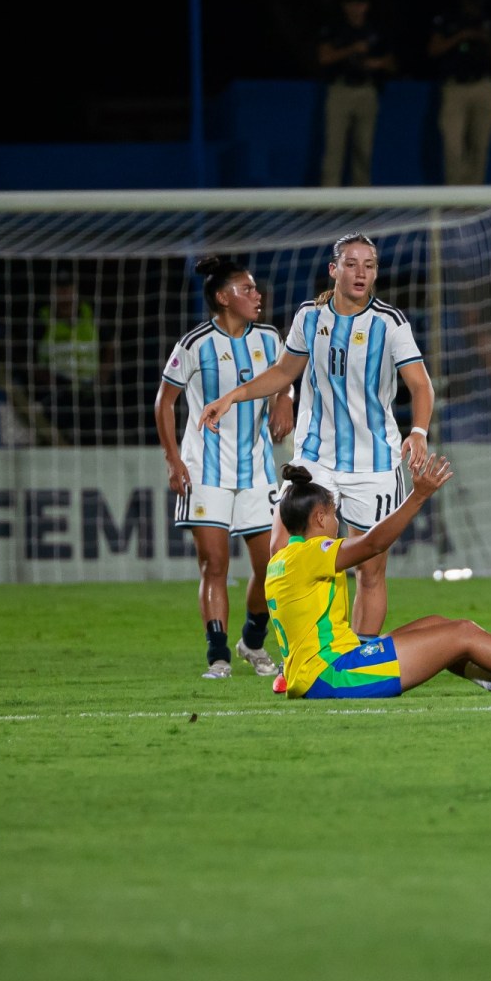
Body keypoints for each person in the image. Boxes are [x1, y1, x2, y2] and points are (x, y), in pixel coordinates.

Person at [201, 233, 433, 638]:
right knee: (283, 552)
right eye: (352, 264)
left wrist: (418, 431)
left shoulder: (390, 324)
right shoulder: (310, 317)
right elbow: (284, 373)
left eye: (370, 265)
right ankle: (300, 651)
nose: (361, 273)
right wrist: (232, 397)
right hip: (314, 458)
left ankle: (356, 663)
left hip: (373, 463)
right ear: (334, 270)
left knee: (370, 569)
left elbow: (421, 385)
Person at [268, 463, 491, 699]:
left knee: (437, 626)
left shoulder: (280, 561)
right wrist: (418, 495)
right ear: (318, 517)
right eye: (332, 514)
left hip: (323, 668)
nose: (337, 521)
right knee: (462, 633)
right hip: (334, 674)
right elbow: (373, 544)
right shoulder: (313, 551)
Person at [155, 257, 296, 679]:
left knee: (272, 566)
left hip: (255, 470)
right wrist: (173, 458)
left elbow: (284, 376)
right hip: (205, 470)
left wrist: (284, 398)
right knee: (213, 565)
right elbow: (165, 401)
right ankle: (218, 656)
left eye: (256, 289)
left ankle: (252, 641)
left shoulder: (270, 338)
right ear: (223, 298)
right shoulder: (195, 343)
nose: (257, 296)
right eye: (247, 289)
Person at [425, 0, 491, 186]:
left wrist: (485, 40)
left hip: (482, 86)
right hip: (455, 87)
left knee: (479, 146)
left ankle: (474, 199)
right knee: (453, 146)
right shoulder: (448, 20)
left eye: (478, 0)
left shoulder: (488, 23)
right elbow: (433, 50)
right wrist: (461, 37)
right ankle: (456, 199)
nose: (474, 4)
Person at [318, 0, 396, 187]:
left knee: (363, 149)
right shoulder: (334, 29)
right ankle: (328, 202)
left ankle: (360, 204)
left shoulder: (375, 30)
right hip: (340, 90)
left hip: (366, 91)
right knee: (334, 148)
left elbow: (392, 63)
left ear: (367, 6)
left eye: (360, 3)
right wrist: (351, 49)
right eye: (352, 3)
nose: (356, 8)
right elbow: (324, 57)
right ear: (345, 6)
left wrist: (377, 63)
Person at [35, 268, 102, 445]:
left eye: (68, 287)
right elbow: (28, 359)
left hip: (89, 392)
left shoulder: (90, 314)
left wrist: (104, 376)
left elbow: (112, 343)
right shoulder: (41, 319)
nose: (64, 293)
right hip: (57, 394)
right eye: (59, 288)